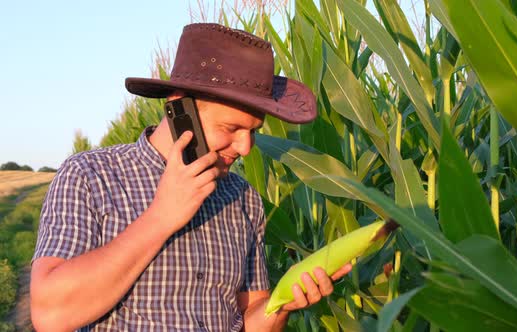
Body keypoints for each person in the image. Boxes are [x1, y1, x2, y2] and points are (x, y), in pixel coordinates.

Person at [30, 23, 352, 331]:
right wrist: (161, 217)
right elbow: (50, 314)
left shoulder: (243, 198)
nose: (246, 147)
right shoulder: (91, 176)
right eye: (231, 128)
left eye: (254, 130)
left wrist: (281, 305)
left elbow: (251, 317)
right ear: (178, 108)